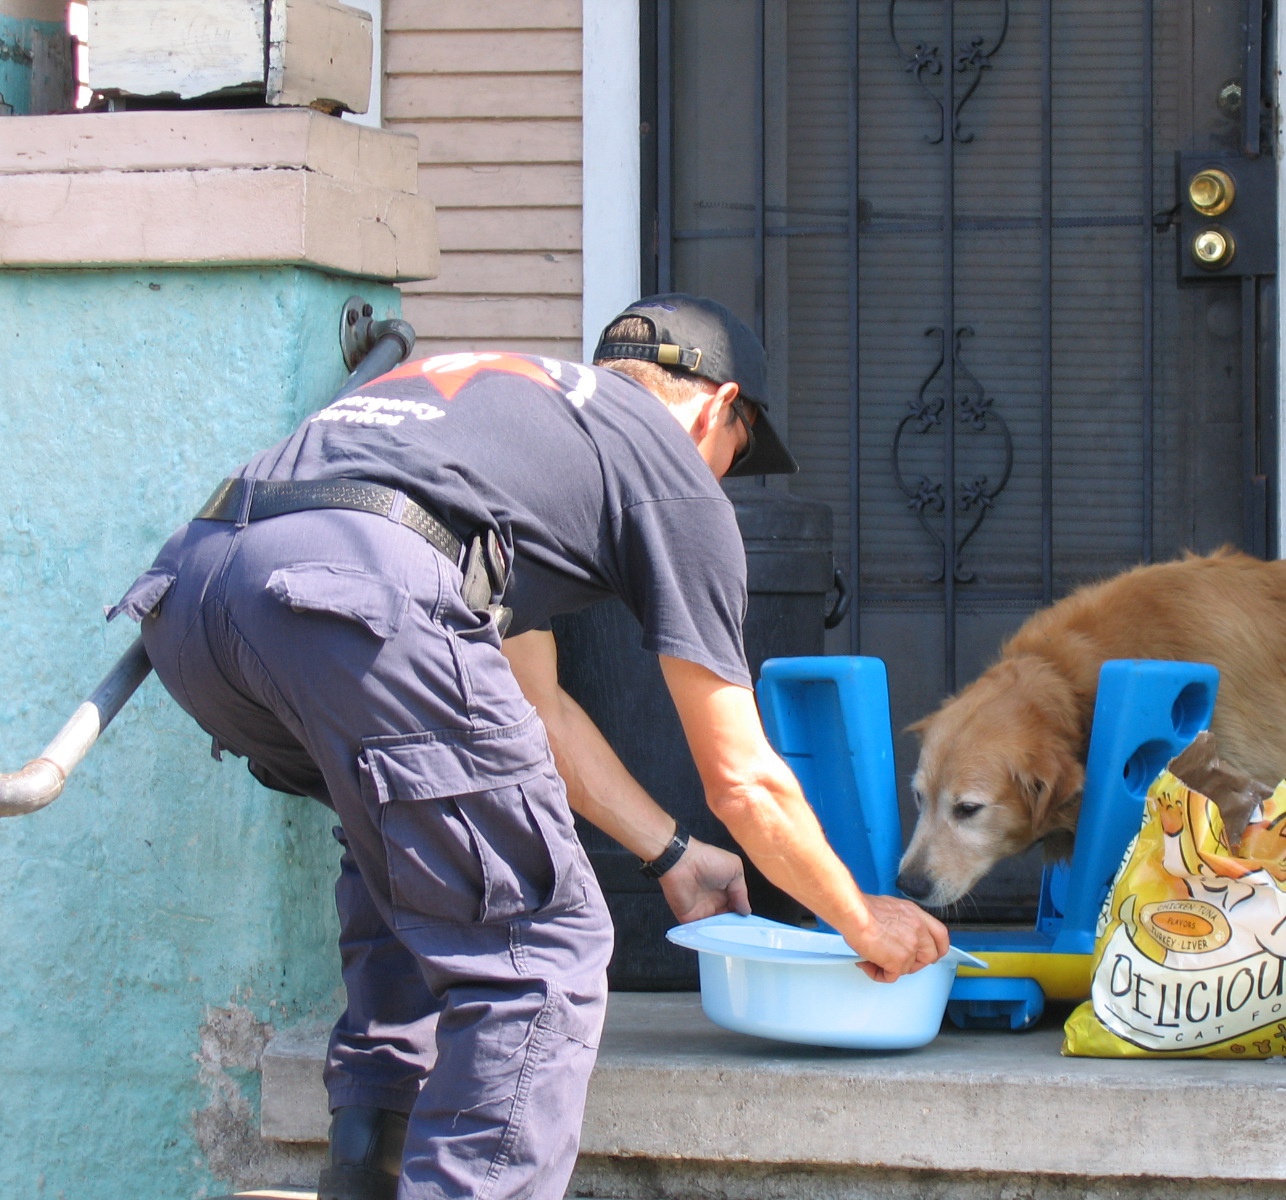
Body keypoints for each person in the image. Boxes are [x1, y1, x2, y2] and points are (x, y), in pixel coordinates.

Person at [108, 293, 949, 1200]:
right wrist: (860, 920)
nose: (723, 481)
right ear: (718, 404)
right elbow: (743, 778)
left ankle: (365, 1164)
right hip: (360, 591)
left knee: (416, 853)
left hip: (193, 604)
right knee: (539, 950)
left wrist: (669, 852)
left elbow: (532, 718)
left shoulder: (505, 421)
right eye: (736, 456)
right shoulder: (667, 465)